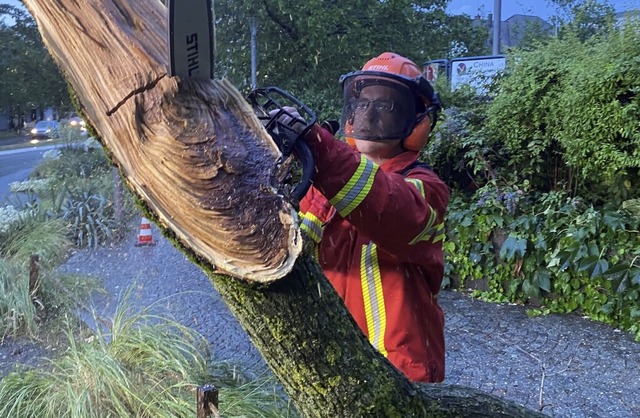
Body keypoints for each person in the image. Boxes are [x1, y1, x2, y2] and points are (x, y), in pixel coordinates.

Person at [288, 52, 449, 383]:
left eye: (386, 106)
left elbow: (385, 203)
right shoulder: (323, 182)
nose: (368, 113)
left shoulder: (426, 189)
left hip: (400, 371)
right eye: (362, 102)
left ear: (417, 122)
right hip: (335, 368)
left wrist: (317, 145)